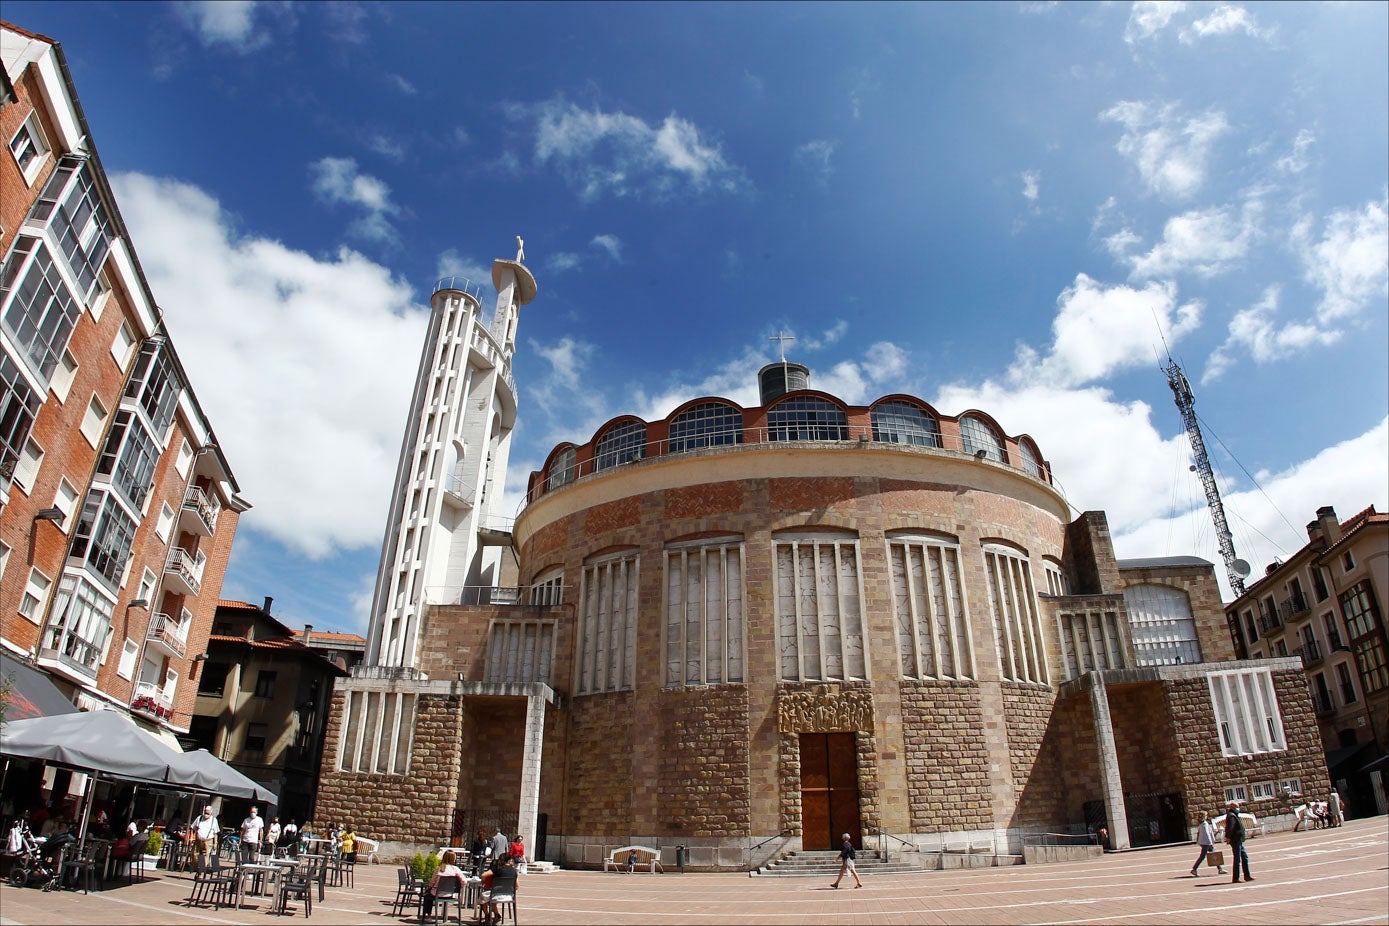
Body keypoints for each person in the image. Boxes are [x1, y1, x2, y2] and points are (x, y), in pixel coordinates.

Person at [421, 849, 466, 918]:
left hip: (437, 893)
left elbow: (432, 881)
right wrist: (459, 886)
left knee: (427, 896)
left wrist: (429, 887)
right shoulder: (456, 869)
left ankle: (428, 915)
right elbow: (464, 881)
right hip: (450, 893)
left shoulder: (439, 868)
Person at [485, 854, 519, 925]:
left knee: (484, 899)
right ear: (509, 861)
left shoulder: (497, 869)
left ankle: (488, 915)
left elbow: (484, 875)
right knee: (489, 899)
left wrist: (483, 881)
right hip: (509, 896)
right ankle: (495, 915)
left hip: (495, 895)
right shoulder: (514, 871)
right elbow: (517, 886)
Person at [1223, 801, 1253, 883]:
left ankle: (1247, 876)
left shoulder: (1234, 815)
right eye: (1237, 807)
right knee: (1237, 859)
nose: (1238, 809)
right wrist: (1228, 837)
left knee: (1244, 857)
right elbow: (1230, 828)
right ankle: (1236, 878)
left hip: (1239, 840)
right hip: (1235, 840)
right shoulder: (1232, 816)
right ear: (1232, 808)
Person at [1190, 811, 1224, 876]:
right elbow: (1207, 834)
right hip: (1206, 843)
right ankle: (1194, 869)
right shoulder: (1205, 824)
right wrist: (1210, 842)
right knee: (1203, 856)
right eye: (1206, 815)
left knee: (1214, 854)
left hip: (1204, 842)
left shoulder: (1201, 824)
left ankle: (1220, 869)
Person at [192, 805, 220, 870]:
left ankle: (201, 871)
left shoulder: (214, 820)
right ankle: (197, 869)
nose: (206, 815)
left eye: (207, 813)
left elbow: (215, 833)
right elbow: (193, 828)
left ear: (211, 813)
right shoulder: (199, 818)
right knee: (194, 855)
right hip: (198, 840)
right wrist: (193, 837)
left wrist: (215, 843)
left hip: (208, 840)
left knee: (205, 856)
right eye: (205, 813)